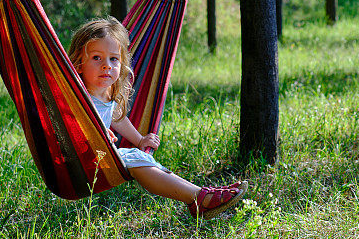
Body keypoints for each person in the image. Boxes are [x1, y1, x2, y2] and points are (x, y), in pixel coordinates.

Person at [68, 17, 247, 220]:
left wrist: (139, 140)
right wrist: (96, 137)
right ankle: (199, 198)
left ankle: (201, 194)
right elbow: (70, 129)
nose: (106, 66)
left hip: (104, 157)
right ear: (79, 64)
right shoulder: (78, 97)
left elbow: (117, 118)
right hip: (82, 163)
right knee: (136, 160)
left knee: (141, 156)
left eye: (113, 59)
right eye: (96, 58)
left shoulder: (107, 93)